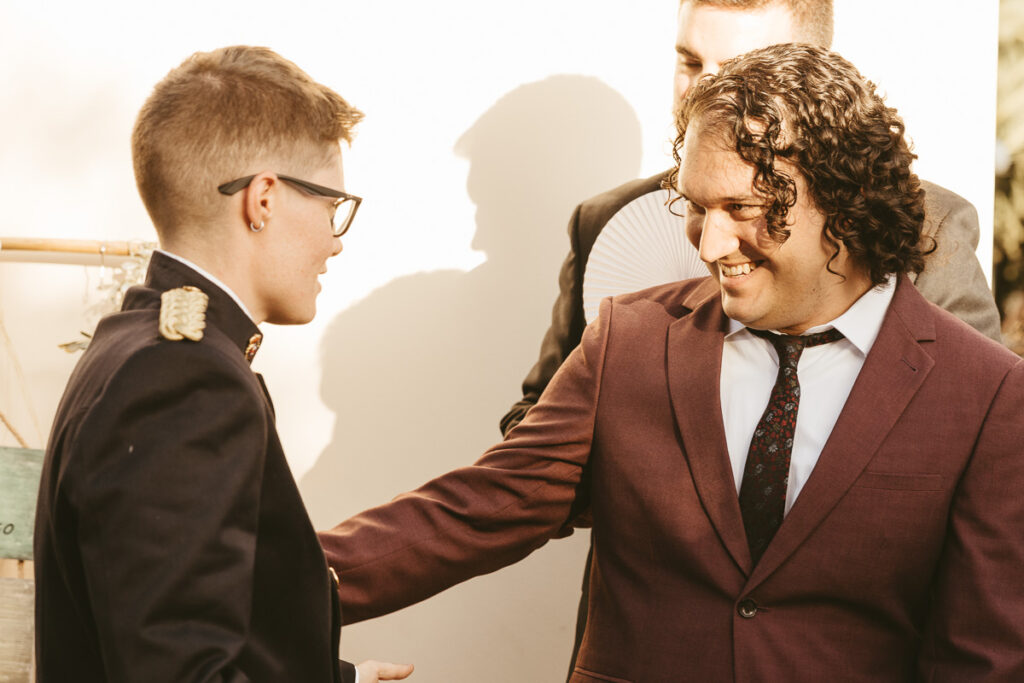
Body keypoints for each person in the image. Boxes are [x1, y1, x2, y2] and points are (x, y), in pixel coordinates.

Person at [320, 44, 1024, 681]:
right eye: (694, 207)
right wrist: (268, 581)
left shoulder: (987, 394)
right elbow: (473, 512)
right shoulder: (629, 339)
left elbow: (983, 657)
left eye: (742, 207)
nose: (709, 244)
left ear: (845, 201)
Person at [33, 46, 412, 683]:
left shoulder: (138, 341)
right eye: (331, 207)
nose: (336, 241)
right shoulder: (185, 380)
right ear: (263, 199)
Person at [500, 0, 1002, 437]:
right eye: (690, 62)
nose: (704, 89)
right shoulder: (604, 219)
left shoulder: (928, 223)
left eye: (741, 69)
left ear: (812, 70)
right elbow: (537, 416)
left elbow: (980, 421)